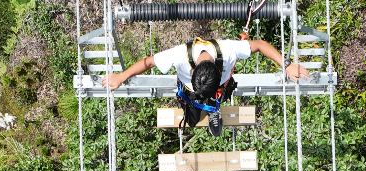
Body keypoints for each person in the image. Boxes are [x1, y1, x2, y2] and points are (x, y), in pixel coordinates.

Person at [104, 37, 309, 135]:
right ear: (192, 71)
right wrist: (121, 77)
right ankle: (194, 109)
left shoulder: (229, 50)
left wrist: (287, 65)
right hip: (190, 90)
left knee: (215, 100)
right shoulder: (179, 54)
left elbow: (259, 45)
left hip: (219, 88)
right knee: (192, 117)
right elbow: (148, 62)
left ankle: (213, 109)